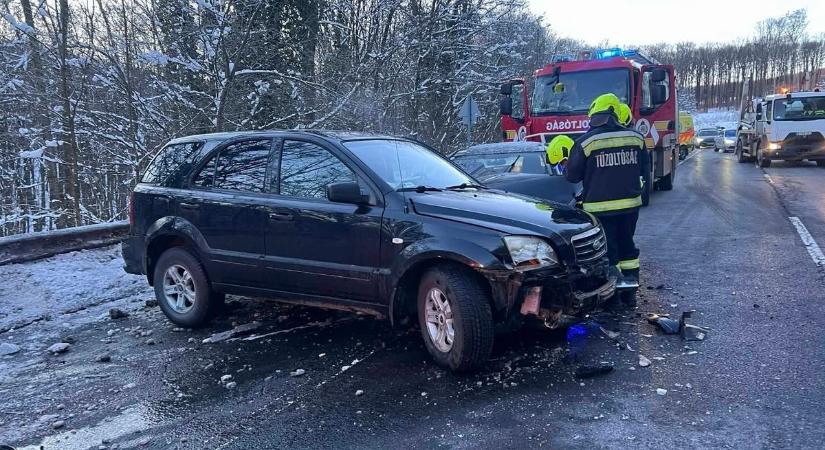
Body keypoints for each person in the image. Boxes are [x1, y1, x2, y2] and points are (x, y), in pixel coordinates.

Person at [565, 94, 649, 299]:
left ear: (594, 116)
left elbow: (571, 176)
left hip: (599, 209)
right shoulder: (636, 138)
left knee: (609, 252)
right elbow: (645, 172)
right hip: (630, 207)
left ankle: (612, 296)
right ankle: (630, 295)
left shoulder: (586, 142)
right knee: (628, 247)